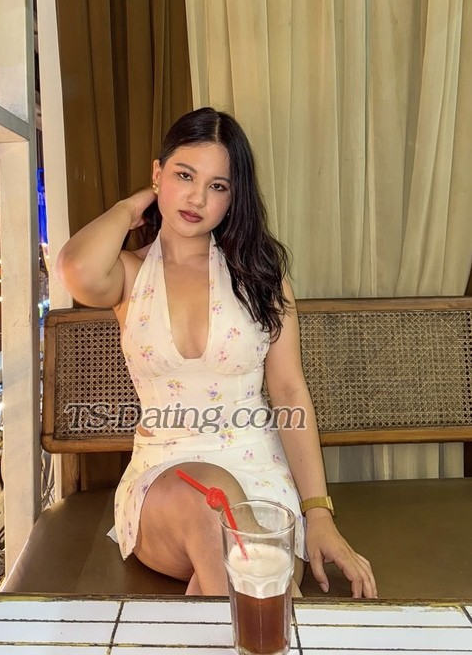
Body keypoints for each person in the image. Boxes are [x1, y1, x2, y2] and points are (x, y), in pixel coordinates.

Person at [57, 107, 377, 598]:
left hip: (259, 476)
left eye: (218, 186)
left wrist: (318, 514)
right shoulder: (129, 274)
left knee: (228, 562)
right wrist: (131, 206)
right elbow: (75, 268)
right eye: (184, 176)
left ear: (233, 196)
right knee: (214, 504)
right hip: (163, 485)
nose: (197, 198)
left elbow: (289, 391)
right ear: (158, 173)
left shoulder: (261, 277)